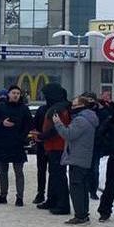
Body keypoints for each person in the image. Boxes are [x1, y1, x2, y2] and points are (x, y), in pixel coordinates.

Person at [52, 93, 100, 225]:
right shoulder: (89, 118)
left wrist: (58, 123)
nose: (71, 107)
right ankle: (83, 213)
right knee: (82, 186)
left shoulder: (81, 120)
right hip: (83, 157)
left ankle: (80, 216)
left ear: (82, 106)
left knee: (76, 187)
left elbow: (68, 134)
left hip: (77, 157)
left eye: (74, 105)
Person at [0, 86, 33, 206]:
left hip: (17, 143)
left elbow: (29, 125)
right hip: (3, 142)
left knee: (19, 171)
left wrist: (22, 137)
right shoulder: (1, 107)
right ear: (8, 94)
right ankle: (3, 195)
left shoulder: (24, 108)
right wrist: (2, 123)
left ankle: (20, 197)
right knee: (3, 171)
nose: (16, 95)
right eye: (13, 93)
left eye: (18, 93)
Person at [37, 83, 72, 215]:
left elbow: (58, 128)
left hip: (58, 146)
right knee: (54, 174)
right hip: (53, 145)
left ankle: (63, 205)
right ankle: (52, 200)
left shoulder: (61, 108)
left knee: (59, 176)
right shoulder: (59, 106)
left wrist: (43, 136)